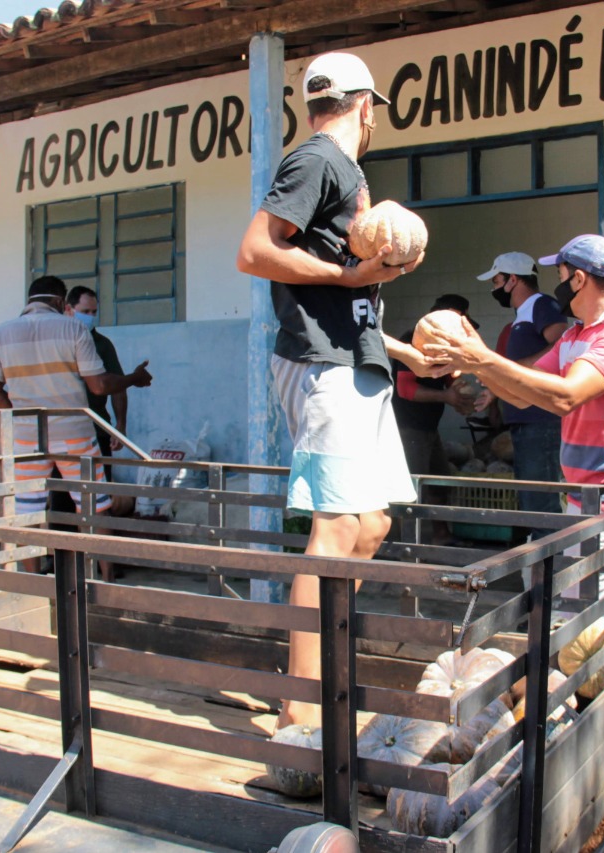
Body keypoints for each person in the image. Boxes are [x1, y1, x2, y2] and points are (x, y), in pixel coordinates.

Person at [235, 51, 443, 733]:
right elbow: (254, 251)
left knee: (373, 523)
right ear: (366, 105)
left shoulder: (345, 173)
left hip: (356, 361)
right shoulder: (318, 160)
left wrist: (410, 349)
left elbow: (353, 307)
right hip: (323, 367)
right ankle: (300, 708)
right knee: (335, 527)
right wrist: (345, 277)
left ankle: (324, 661)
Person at [424, 234, 604, 582]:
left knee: (602, 625)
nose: (558, 285)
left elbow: (566, 396)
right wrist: (474, 362)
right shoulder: (574, 336)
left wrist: (482, 357)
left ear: (579, 279)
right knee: (573, 618)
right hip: (584, 499)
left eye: (562, 276)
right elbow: (521, 393)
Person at [0, 275, 152, 574]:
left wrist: (25, 416)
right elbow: (98, 385)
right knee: (95, 507)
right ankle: (106, 580)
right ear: (61, 303)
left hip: (27, 438)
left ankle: (32, 583)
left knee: (28, 512)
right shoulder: (72, 328)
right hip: (75, 431)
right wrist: (133, 379)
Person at [476, 252, 567, 540]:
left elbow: (562, 344)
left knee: (541, 504)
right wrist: (494, 389)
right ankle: (542, 573)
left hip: (540, 420)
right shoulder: (522, 316)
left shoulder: (542, 305)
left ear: (513, 280)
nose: (494, 288)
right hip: (526, 420)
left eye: (496, 281)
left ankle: (549, 576)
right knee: (532, 500)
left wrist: (516, 368)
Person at [392, 294, 477, 546]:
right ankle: (406, 547)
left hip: (428, 428)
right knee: (411, 489)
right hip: (407, 428)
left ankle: (440, 536)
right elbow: (405, 390)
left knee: (440, 482)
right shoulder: (411, 341)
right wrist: (448, 396)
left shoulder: (440, 345)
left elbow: (450, 378)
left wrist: (460, 394)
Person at [63, 286, 128, 457]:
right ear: (69, 309)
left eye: (94, 312)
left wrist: (120, 426)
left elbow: (118, 386)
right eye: (85, 311)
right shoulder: (56, 340)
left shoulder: (102, 344)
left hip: (97, 428)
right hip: (61, 432)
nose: (91, 317)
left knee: (98, 480)